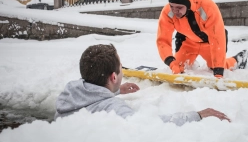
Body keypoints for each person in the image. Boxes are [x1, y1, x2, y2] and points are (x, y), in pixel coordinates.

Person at [54, 44, 230, 126]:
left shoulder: (69, 95)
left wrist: (114, 92)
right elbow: (151, 125)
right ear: (113, 77)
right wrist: (197, 115)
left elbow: (93, 101)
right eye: (121, 68)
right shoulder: (114, 109)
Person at [157, 0, 248, 78]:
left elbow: (217, 38)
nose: (175, 11)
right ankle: (191, 62)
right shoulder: (167, 13)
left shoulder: (207, 7)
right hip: (189, 43)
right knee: (178, 66)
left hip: (210, 43)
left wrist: (218, 72)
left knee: (218, 66)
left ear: (188, 4)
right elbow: (163, 40)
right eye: (172, 6)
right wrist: (171, 63)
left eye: (179, 8)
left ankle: (238, 59)